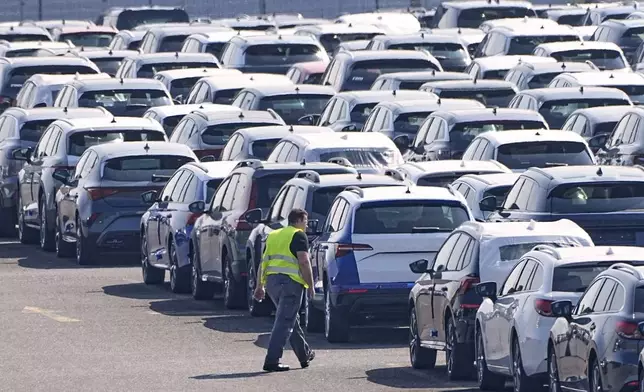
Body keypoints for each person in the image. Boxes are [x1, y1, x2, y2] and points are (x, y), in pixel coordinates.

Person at [253, 208, 316, 372]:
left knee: (288, 319)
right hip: (291, 284)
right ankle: (272, 360)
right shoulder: (298, 235)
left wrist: (260, 285)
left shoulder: (273, 235)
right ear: (300, 220)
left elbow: (263, 262)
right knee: (283, 322)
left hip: (273, 283)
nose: (307, 226)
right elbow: (303, 261)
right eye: (306, 222)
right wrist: (310, 285)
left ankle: (304, 355)